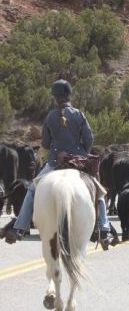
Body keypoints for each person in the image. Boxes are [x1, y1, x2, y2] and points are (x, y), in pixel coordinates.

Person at [0, 80, 113, 248]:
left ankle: (19, 228)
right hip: (79, 161)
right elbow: (89, 139)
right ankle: (104, 230)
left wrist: (57, 149)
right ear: (69, 95)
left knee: (32, 190)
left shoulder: (50, 116)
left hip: (55, 161)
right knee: (99, 192)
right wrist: (81, 152)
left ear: (55, 97)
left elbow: (45, 143)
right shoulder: (78, 114)